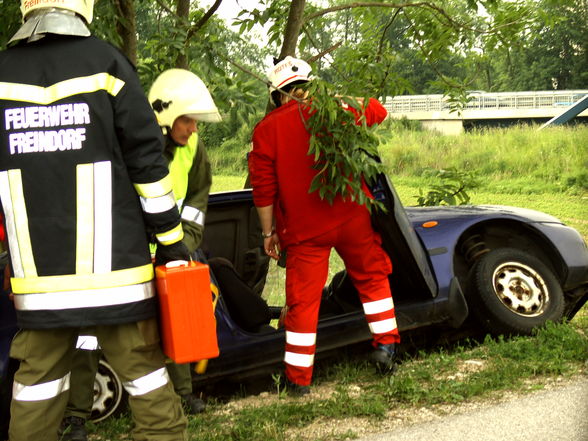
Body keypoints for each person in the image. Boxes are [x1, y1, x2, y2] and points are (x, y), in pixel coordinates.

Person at [0, 1, 190, 440]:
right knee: (146, 378)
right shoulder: (108, 64)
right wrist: (171, 241)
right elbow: (147, 165)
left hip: (38, 283)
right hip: (117, 274)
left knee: (36, 389)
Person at [58, 68, 222, 438]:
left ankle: (184, 395)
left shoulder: (193, 148)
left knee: (176, 322)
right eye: (187, 121)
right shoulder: (126, 143)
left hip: (171, 251)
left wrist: (184, 245)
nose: (193, 129)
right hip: (120, 259)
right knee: (88, 334)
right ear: (164, 117)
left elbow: (197, 200)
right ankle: (76, 416)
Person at [248, 56, 401, 396]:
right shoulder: (338, 110)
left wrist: (268, 233)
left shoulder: (267, 129)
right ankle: (386, 349)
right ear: (310, 84)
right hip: (352, 217)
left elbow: (263, 190)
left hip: (304, 231)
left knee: (303, 302)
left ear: (279, 95)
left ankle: (298, 380)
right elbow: (377, 110)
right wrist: (338, 99)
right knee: (372, 277)